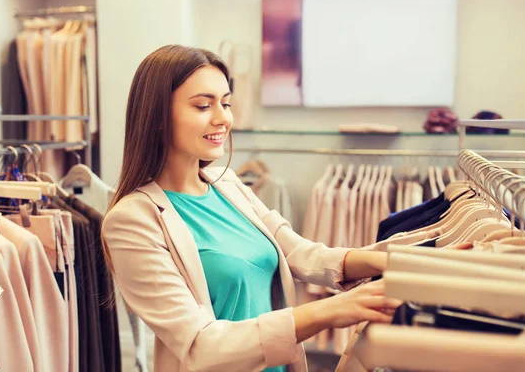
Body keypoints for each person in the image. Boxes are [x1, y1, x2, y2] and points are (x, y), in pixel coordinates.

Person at [101, 45, 401, 372]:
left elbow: (299, 253)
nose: (223, 118)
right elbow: (202, 345)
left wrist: (394, 263)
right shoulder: (131, 221)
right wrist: (330, 311)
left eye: (226, 103)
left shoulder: (228, 184)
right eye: (203, 105)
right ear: (156, 116)